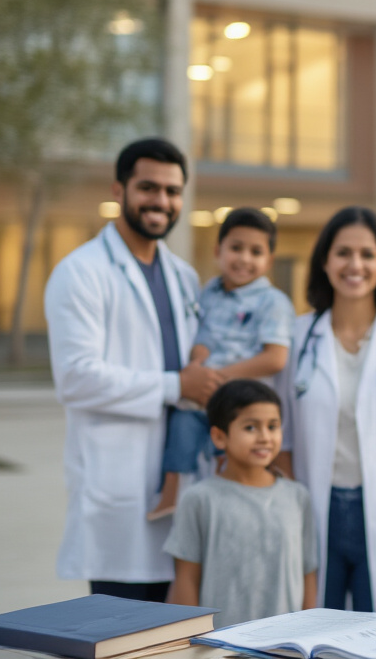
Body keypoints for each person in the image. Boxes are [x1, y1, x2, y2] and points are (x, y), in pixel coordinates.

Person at [45, 138, 218, 601]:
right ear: (119, 191)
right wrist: (176, 384)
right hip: (118, 491)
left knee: (178, 637)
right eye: (148, 187)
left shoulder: (182, 276)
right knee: (122, 634)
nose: (161, 201)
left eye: (172, 190)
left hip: (181, 485)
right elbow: (76, 377)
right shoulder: (80, 272)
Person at [275, 206, 376, 612]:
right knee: (312, 635)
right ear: (325, 262)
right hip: (316, 512)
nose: (355, 265)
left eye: (367, 254)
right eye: (343, 253)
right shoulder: (297, 338)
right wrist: (289, 529)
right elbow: (282, 443)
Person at [149, 207, 295, 520]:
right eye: (236, 248)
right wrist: (197, 364)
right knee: (181, 426)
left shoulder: (273, 303)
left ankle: (230, 500)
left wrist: (220, 376)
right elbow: (202, 337)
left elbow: (275, 357)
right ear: (218, 251)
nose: (244, 258)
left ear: (268, 260)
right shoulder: (210, 292)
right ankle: (170, 495)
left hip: (242, 400)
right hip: (201, 394)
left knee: (234, 452)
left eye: (256, 252)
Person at [166, 379, 318, 626]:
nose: (265, 437)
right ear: (219, 436)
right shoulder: (199, 499)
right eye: (250, 427)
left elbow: (308, 573)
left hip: (286, 645)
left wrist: (307, 637)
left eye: (273, 426)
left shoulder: (297, 496)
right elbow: (186, 581)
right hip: (221, 646)